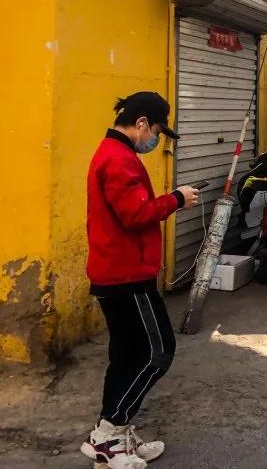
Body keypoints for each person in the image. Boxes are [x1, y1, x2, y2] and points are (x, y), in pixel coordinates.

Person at [81, 92, 200, 469]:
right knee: (157, 352)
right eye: (157, 133)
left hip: (117, 272)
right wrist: (177, 199)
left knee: (126, 355)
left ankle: (112, 436)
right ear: (143, 123)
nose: (156, 142)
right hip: (126, 277)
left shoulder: (114, 154)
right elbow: (136, 214)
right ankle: (108, 435)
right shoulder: (118, 160)